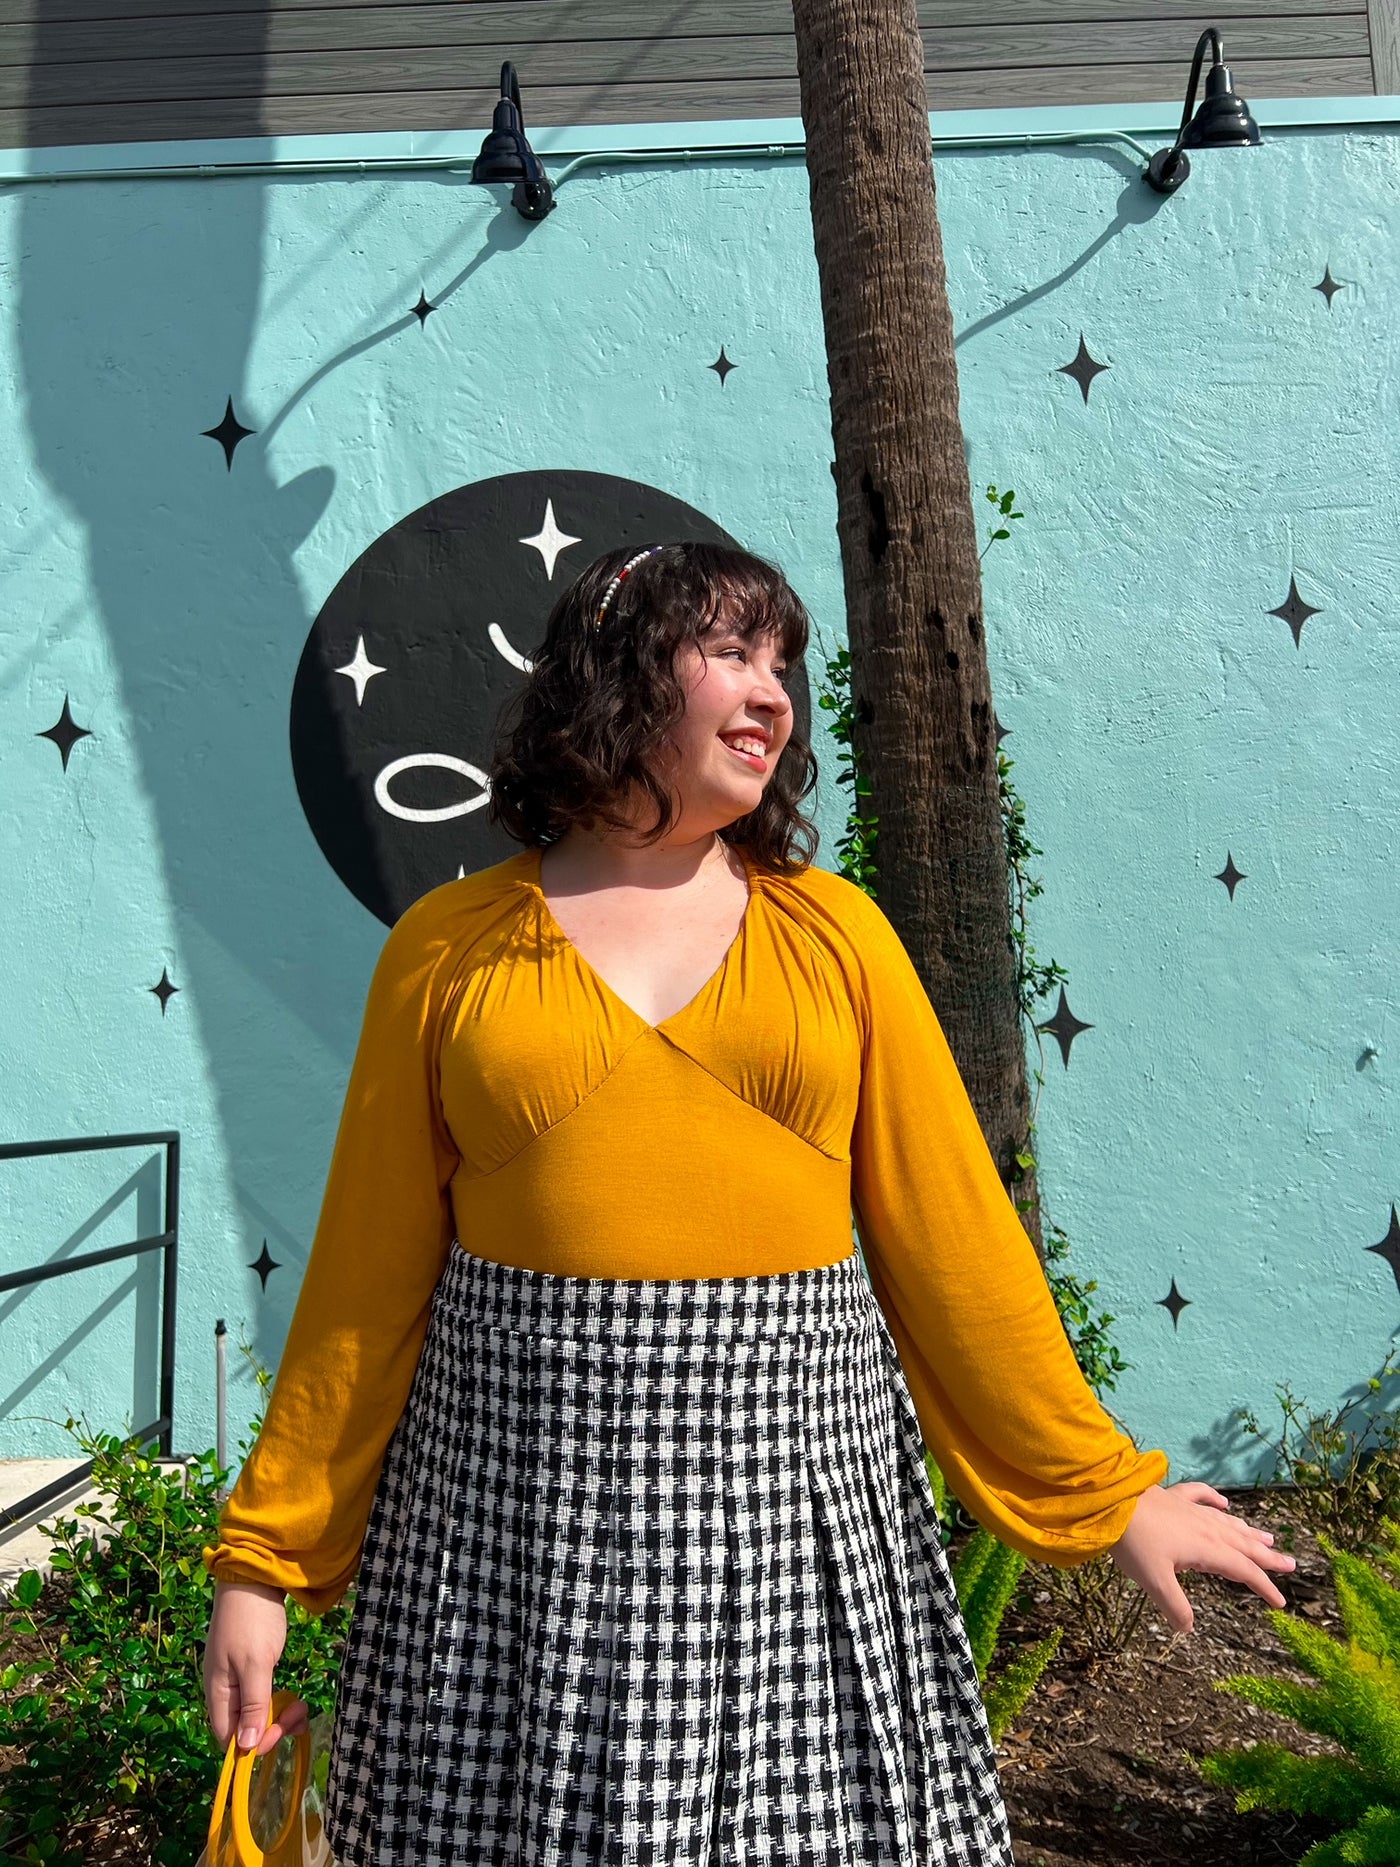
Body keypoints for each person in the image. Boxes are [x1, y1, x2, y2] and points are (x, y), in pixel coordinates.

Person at [203, 540, 1295, 1865]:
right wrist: (264, 1562)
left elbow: (954, 1243)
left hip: (794, 1510)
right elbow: (363, 1284)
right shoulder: (449, 951)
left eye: (782, 662)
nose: (773, 692)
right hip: (516, 1526)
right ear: (612, 681)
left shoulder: (836, 935)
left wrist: (1105, 1494)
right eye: (729, 652)